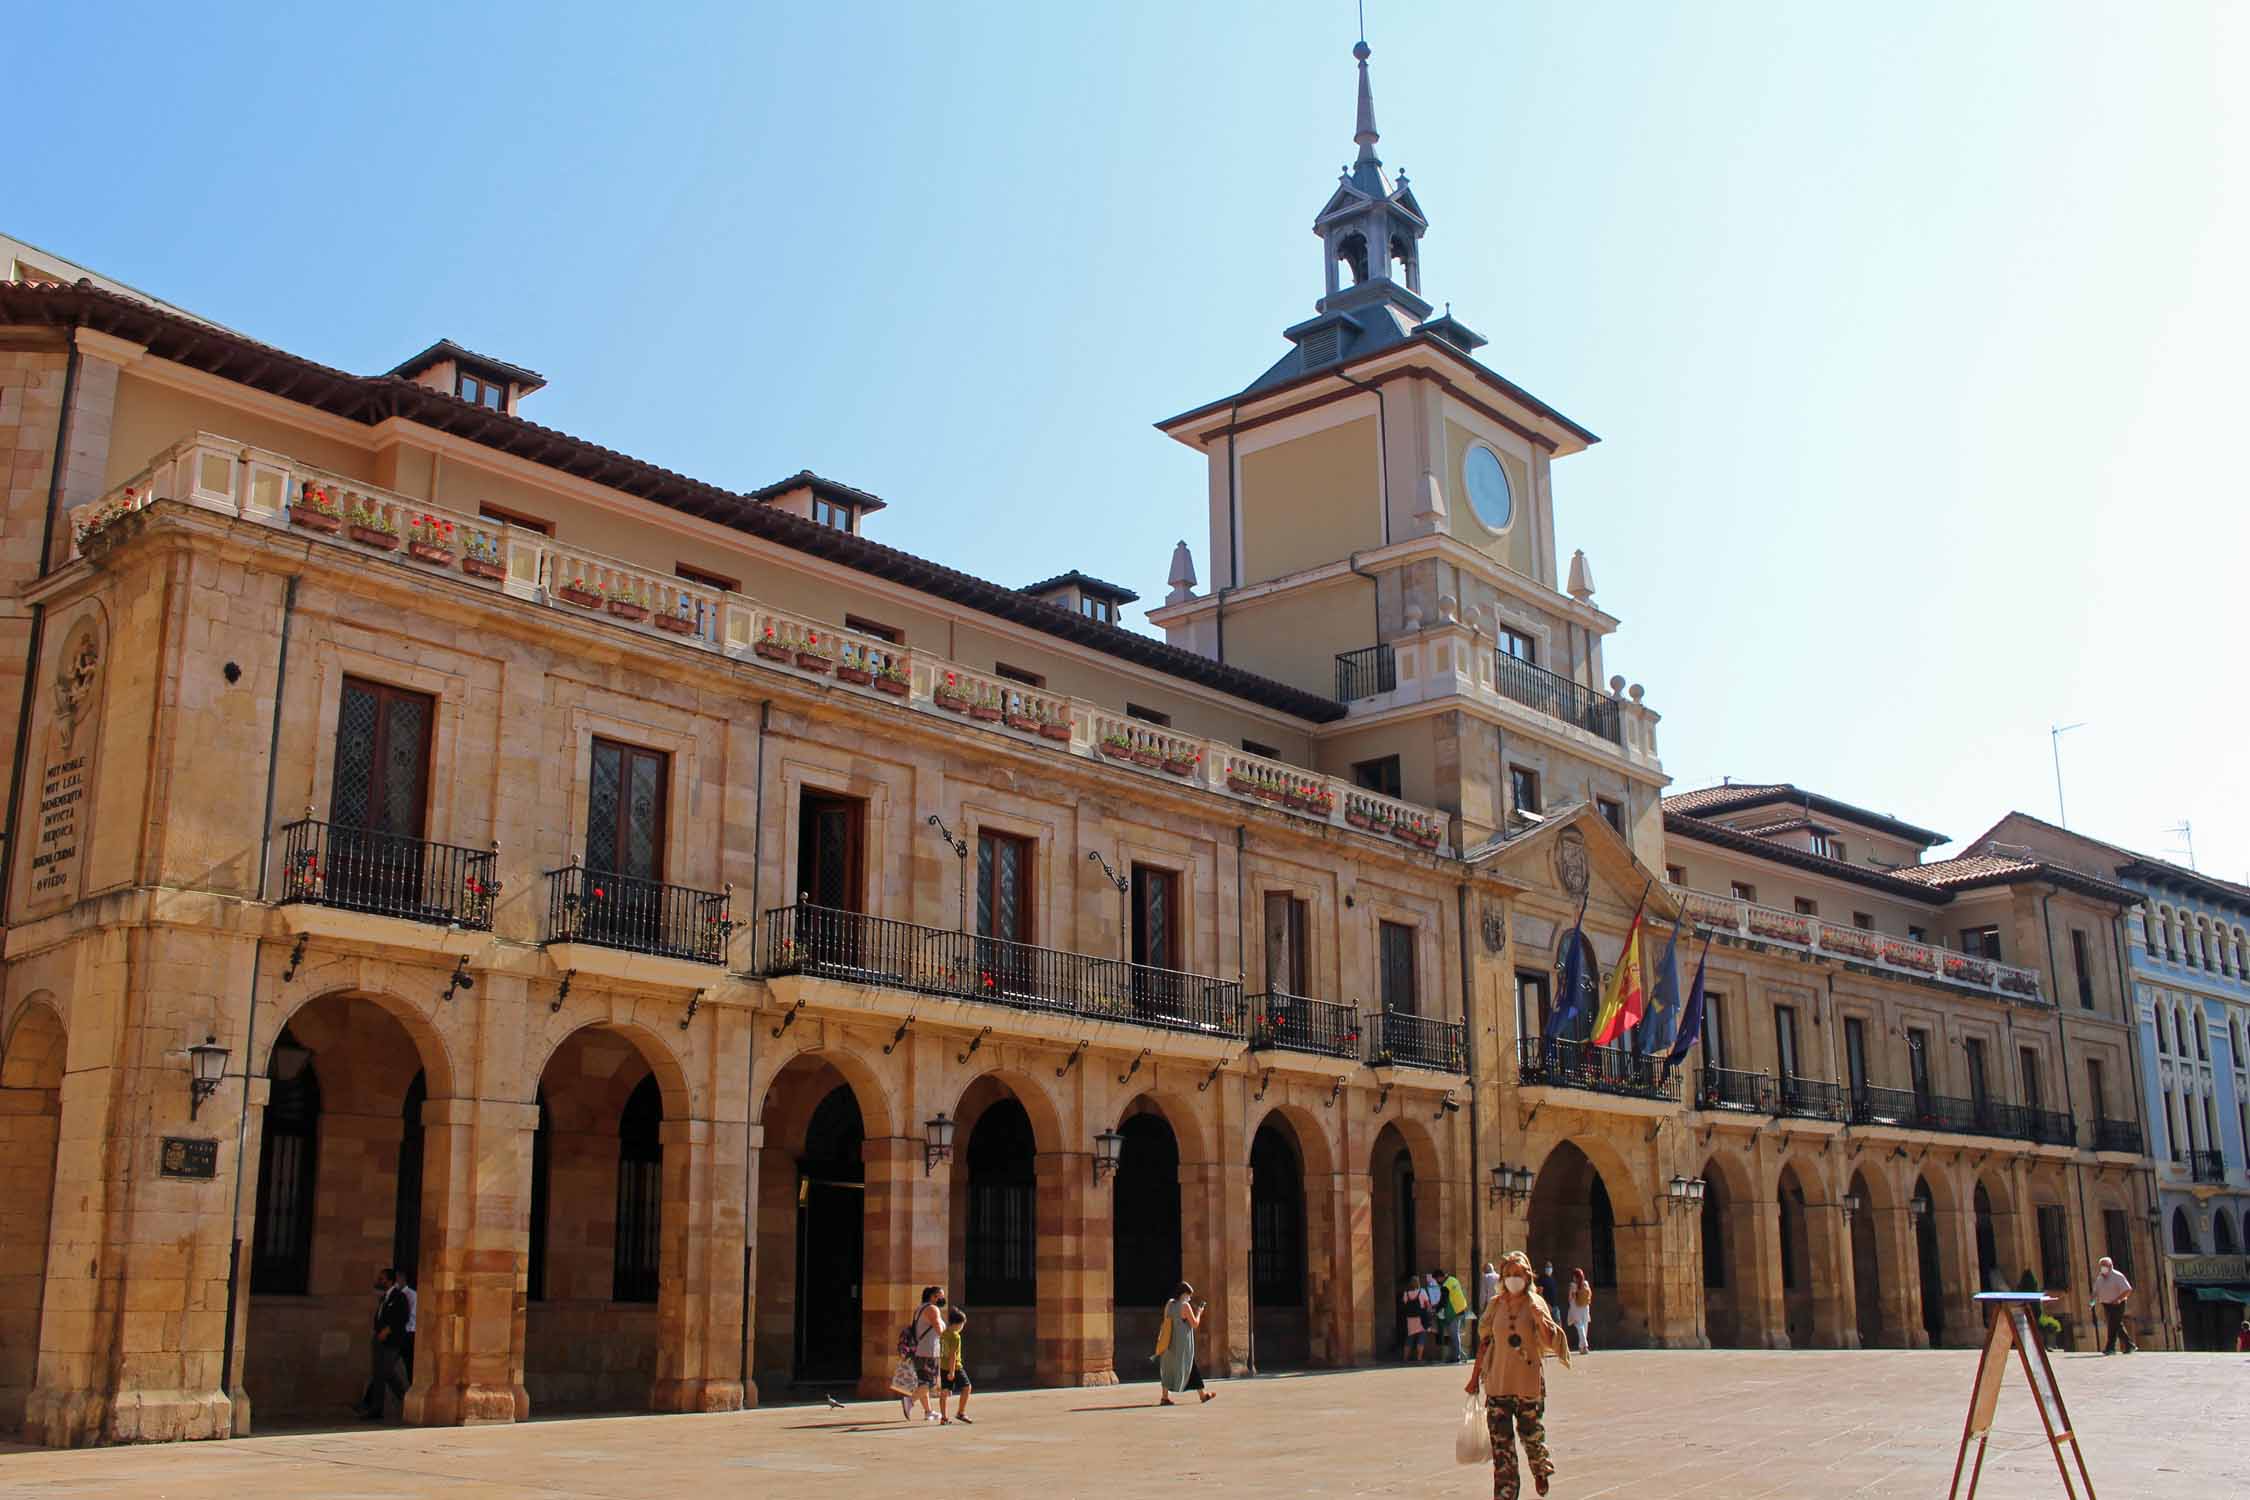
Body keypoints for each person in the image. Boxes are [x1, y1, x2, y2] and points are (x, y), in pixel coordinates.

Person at [1466, 1250, 1570, 1500]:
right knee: (1502, 1450)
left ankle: (1539, 1468)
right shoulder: (1495, 1305)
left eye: (1518, 1274)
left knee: (1531, 1436)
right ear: (1502, 1277)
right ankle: (1505, 1493)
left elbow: (1549, 1342)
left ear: (1528, 1276)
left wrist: (1539, 1318)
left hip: (1527, 1384)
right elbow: (1485, 1343)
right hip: (1497, 1384)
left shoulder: (1536, 1303)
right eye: (1509, 1274)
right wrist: (1474, 1377)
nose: (1513, 1278)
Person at [353, 1268, 410, 1420]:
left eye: (382, 1279)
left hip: (392, 1341)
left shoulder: (399, 1297)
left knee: (386, 1372)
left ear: (390, 1281)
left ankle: (406, 1399)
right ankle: (376, 1409)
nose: (379, 1281)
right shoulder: (384, 1298)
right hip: (379, 1341)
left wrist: (388, 1330)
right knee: (379, 1374)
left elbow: (402, 1317)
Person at [1156, 1281, 1216, 1405]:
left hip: (1169, 1342)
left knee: (1168, 1368)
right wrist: (1199, 1312)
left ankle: (1164, 1397)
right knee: (1189, 1365)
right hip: (1182, 1344)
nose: (1190, 1297)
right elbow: (1194, 1324)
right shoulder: (1185, 1306)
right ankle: (1203, 1395)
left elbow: (1166, 1320)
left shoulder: (1169, 1303)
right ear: (1184, 1294)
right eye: (1189, 1295)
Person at [2090, 1257, 2136, 1355]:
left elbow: (2128, 1289)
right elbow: (2095, 1291)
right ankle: (2129, 1345)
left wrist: (2118, 1299)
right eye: (2101, 1266)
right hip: (2106, 1304)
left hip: (2118, 1304)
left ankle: (2110, 1348)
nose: (2103, 1268)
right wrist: (2092, 1302)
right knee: (2117, 1325)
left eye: (2104, 1265)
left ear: (2110, 1266)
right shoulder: (2100, 1278)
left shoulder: (2117, 1276)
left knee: (2112, 1325)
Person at [937, 1306, 972, 1424]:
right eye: (962, 1325)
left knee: (944, 1392)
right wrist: (952, 1371)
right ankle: (960, 1412)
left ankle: (944, 1418)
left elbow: (941, 1352)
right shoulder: (955, 1336)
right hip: (955, 1367)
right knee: (967, 1387)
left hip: (943, 1366)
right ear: (957, 1324)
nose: (962, 1327)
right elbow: (953, 1354)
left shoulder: (943, 1334)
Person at [1440, 1267, 1472, 1362]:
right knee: (1455, 1333)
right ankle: (1458, 1354)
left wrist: (1437, 1308)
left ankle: (1457, 1356)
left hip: (1454, 1311)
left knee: (1454, 1334)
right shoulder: (1453, 1279)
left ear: (1440, 1277)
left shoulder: (1445, 1285)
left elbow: (1443, 1301)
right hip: (1461, 1309)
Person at [1401, 1274, 1428, 1362]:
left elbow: (1404, 1303)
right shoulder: (1422, 1291)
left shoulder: (1406, 1293)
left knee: (1409, 1338)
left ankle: (1405, 1358)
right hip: (1420, 1317)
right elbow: (1427, 1304)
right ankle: (1419, 1358)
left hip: (1410, 1319)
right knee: (1421, 1337)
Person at [1565, 1268, 1593, 1354]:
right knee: (1584, 1327)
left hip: (1576, 1307)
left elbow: (1570, 1297)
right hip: (1585, 1307)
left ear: (1575, 1277)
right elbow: (1590, 1294)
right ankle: (1582, 1348)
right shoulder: (1586, 1284)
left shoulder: (1573, 1285)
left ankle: (1585, 1345)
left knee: (1579, 1327)